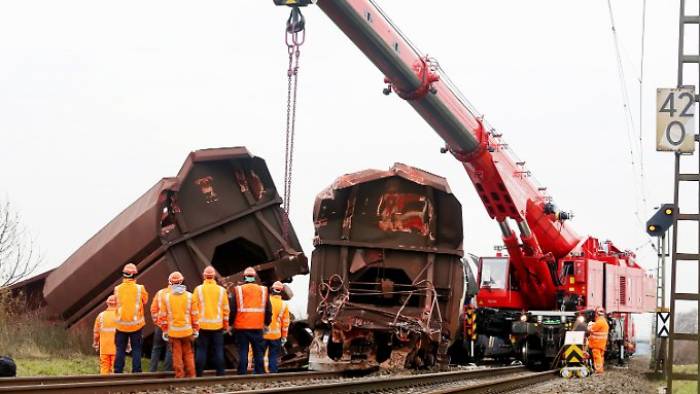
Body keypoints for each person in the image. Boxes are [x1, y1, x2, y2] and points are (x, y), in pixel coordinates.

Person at [229, 266, 272, 375]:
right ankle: (260, 373)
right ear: (255, 277)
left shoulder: (237, 290)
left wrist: (230, 323)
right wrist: (266, 323)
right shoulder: (263, 290)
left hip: (241, 327)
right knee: (258, 352)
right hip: (257, 327)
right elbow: (268, 310)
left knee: (243, 351)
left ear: (244, 277)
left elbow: (233, 309)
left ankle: (242, 374)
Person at [158, 271, 199, 378]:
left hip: (173, 332)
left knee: (177, 355)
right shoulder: (190, 296)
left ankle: (179, 375)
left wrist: (165, 330)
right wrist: (196, 329)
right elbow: (195, 315)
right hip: (187, 331)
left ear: (170, 282)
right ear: (181, 281)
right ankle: (191, 375)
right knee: (188, 354)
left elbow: (162, 316)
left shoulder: (166, 297)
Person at [193, 266, 230, 377]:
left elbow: (193, 309)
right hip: (217, 326)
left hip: (202, 326)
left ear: (204, 276)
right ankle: (221, 374)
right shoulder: (221, 291)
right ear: (214, 276)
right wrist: (226, 324)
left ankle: (199, 374)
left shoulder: (198, 290)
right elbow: (226, 309)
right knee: (218, 350)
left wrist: (194, 325)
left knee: (201, 350)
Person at [113, 263, 149, 373]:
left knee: (120, 349)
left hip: (121, 324)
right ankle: (136, 371)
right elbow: (145, 301)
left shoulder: (117, 289)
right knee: (136, 349)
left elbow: (116, 303)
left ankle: (118, 371)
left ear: (124, 275)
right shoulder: (140, 288)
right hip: (136, 325)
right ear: (134, 275)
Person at [263, 281, 290, 373]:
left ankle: (261, 374)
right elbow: (285, 323)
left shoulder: (266, 301)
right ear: (281, 292)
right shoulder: (284, 305)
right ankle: (272, 374)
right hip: (276, 336)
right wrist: (284, 337)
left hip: (264, 334)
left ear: (271, 290)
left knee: (262, 356)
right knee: (273, 357)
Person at [149, 280, 173, 372]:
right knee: (170, 349)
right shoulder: (179, 294)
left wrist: (157, 323)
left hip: (160, 326)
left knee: (156, 348)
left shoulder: (160, 293)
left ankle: (152, 370)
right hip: (172, 326)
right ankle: (167, 371)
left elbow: (153, 309)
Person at [93, 295, 118, 374]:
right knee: (116, 368)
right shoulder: (120, 315)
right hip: (117, 348)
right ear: (117, 303)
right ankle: (115, 385)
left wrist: (96, 343)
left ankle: (104, 384)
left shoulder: (101, 316)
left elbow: (96, 333)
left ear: (107, 303)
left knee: (104, 368)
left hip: (104, 348)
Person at [587, 306, 609, 375]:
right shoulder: (604, 321)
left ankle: (599, 371)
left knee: (597, 357)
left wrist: (589, 325)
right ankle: (600, 369)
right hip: (601, 344)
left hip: (596, 343)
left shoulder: (599, 322)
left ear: (596, 314)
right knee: (601, 357)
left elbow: (591, 329)